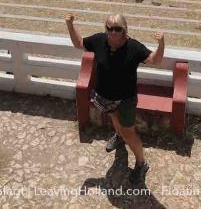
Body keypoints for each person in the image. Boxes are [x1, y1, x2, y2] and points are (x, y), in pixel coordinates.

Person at [65, 12, 165, 184]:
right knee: (115, 120)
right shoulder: (99, 40)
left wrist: (161, 43)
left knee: (129, 131)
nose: (112, 32)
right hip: (105, 97)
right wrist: (70, 24)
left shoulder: (133, 47)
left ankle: (141, 163)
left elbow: (155, 60)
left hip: (126, 99)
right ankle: (119, 137)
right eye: (109, 28)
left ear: (124, 30)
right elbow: (79, 43)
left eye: (117, 29)